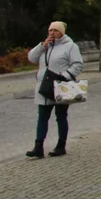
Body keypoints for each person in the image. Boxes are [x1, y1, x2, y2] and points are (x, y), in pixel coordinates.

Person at [26, 21, 84, 158]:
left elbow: (77, 65)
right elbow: (31, 58)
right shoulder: (46, 46)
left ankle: (61, 145)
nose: (52, 33)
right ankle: (38, 146)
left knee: (61, 116)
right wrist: (42, 45)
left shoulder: (70, 46)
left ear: (62, 32)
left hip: (61, 85)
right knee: (42, 117)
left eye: (55, 30)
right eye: (50, 30)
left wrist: (63, 76)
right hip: (44, 86)